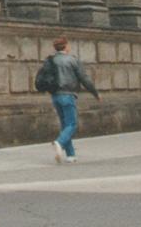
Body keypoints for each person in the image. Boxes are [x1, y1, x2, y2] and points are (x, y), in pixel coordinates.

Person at [38, 35, 98, 164]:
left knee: (65, 124)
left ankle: (71, 155)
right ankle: (59, 142)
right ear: (65, 46)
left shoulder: (50, 60)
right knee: (72, 124)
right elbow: (84, 78)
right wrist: (95, 93)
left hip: (55, 96)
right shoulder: (72, 60)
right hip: (68, 95)